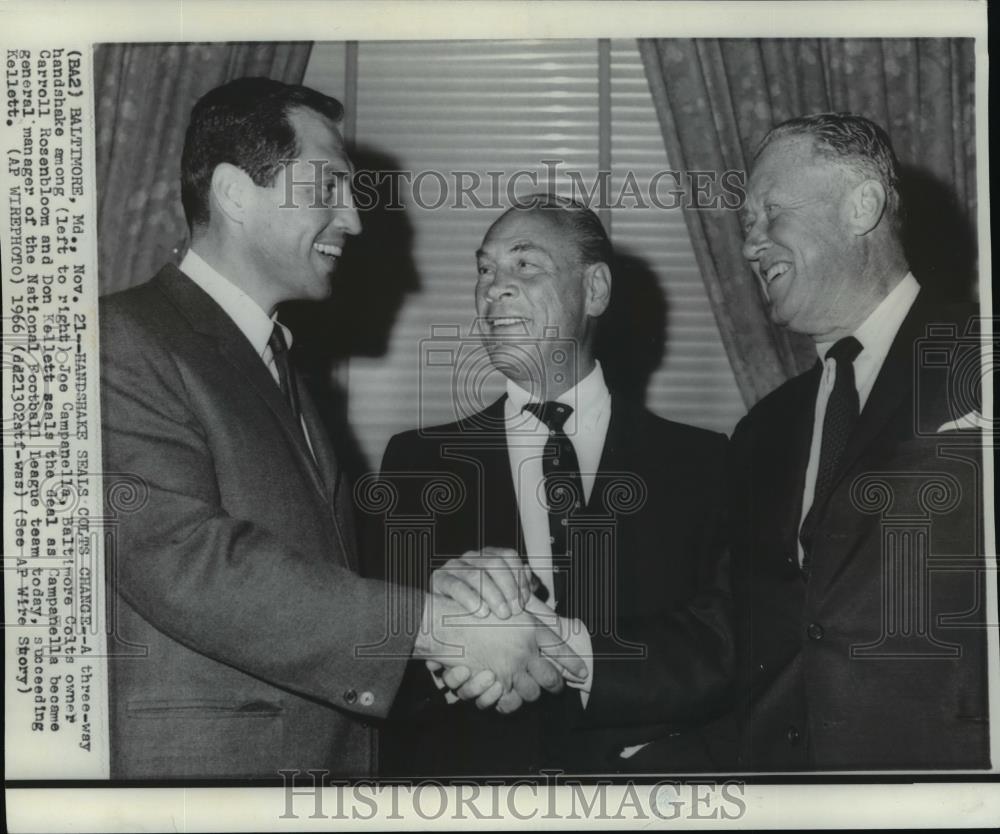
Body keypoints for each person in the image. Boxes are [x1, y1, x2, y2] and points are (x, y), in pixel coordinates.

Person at [98, 78, 584, 780]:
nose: (353, 221)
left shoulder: (274, 359)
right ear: (235, 194)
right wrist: (438, 627)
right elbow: (186, 561)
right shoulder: (119, 339)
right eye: (328, 188)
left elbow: (308, 569)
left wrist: (449, 593)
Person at [367, 193, 733, 776]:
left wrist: (564, 649)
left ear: (595, 291)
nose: (494, 289)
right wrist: (450, 659)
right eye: (484, 270)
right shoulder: (416, 463)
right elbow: (380, 653)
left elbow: (720, 649)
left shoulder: (703, 462)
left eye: (524, 265)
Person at [727, 112, 988, 769]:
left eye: (770, 213)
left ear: (862, 205)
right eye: (745, 224)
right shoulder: (761, 431)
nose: (749, 246)